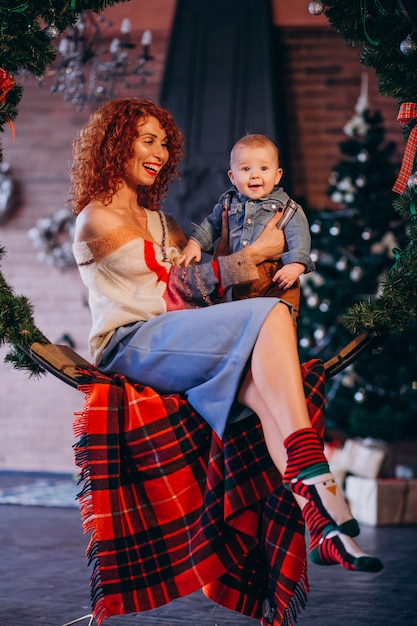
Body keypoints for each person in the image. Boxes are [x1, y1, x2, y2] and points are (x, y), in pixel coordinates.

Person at [70, 97, 382, 575]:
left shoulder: (164, 222)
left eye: (164, 143)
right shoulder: (97, 218)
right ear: (116, 143)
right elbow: (177, 286)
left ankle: (327, 525)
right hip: (130, 345)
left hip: (178, 339)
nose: (159, 152)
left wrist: (271, 261)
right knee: (271, 313)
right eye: (147, 140)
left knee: (265, 394)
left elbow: (196, 290)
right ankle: (316, 473)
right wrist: (255, 253)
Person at [180, 134, 315, 325]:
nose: (255, 175)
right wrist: (195, 243)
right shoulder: (228, 202)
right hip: (240, 280)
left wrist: (296, 265)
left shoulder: (288, 208)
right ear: (232, 177)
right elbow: (211, 224)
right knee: (243, 327)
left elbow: (299, 237)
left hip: (276, 280)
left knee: (279, 324)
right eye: (245, 169)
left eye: (264, 168)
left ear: (277, 176)